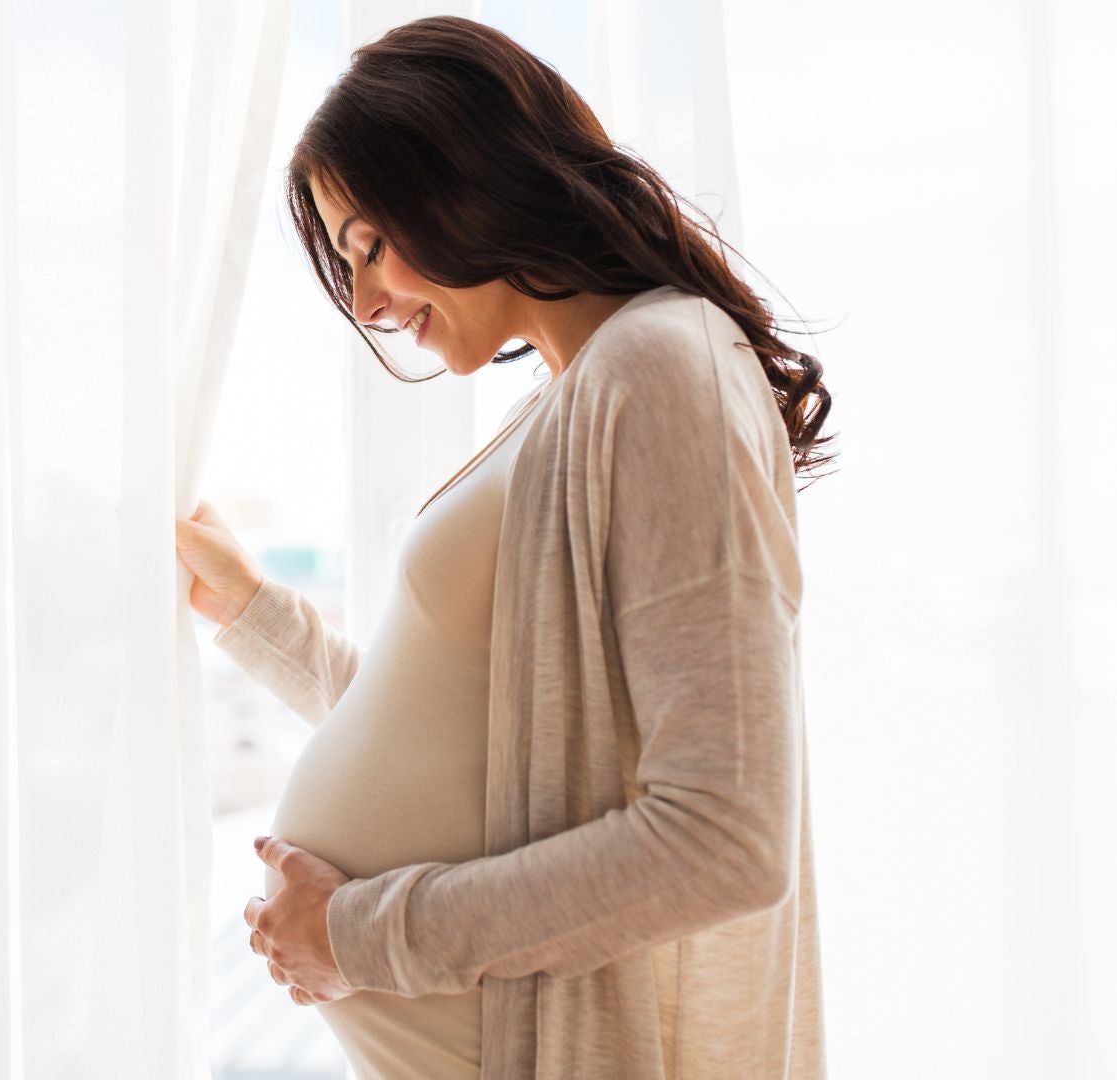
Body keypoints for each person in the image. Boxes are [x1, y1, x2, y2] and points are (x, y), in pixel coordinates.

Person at [175, 15, 836, 1080]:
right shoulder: (577, 395)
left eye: (369, 247)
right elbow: (483, 747)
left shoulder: (662, 370)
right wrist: (259, 619)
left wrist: (358, 936)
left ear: (461, 177)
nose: (367, 304)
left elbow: (726, 837)